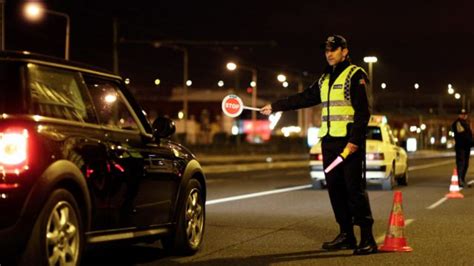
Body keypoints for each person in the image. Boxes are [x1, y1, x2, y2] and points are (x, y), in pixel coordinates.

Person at [260, 34, 377, 255]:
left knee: (355, 190)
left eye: (333, 49)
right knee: (335, 189)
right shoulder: (325, 78)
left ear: (344, 51)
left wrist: (355, 141)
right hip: (329, 143)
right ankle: (346, 235)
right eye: (326, 50)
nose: (329, 53)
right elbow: (304, 98)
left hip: (348, 144)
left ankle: (368, 238)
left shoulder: (356, 74)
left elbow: (363, 112)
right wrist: (275, 106)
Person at [451, 108, 472, 188]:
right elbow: (462, 136)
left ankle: (462, 180)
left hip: (466, 147)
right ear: (459, 115)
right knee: (461, 164)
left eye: (465, 114)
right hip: (461, 147)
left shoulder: (465, 123)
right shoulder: (458, 123)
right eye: (462, 114)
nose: (464, 115)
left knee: (465, 164)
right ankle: (460, 181)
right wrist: (471, 142)